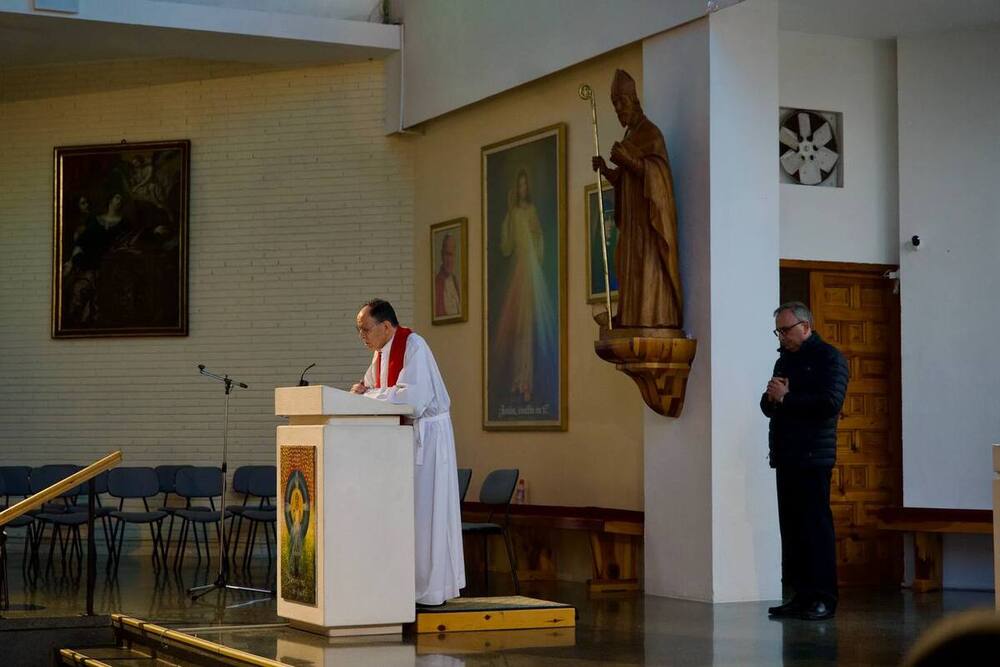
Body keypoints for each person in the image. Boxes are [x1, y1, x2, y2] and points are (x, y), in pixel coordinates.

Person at [350, 299, 466, 606]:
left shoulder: (413, 346)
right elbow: (368, 389)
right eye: (359, 330)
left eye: (365, 329)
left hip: (428, 440)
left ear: (386, 326)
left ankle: (431, 589)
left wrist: (368, 395)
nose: (362, 336)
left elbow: (412, 399)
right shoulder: (380, 355)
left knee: (426, 511)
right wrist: (362, 393)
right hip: (405, 441)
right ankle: (406, 586)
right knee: (408, 514)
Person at [761, 302, 849, 621]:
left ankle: (824, 598)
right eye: (778, 331)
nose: (782, 336)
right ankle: (800, 596)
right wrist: (772, 398)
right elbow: (768, 407)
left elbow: (829, 403)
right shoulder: (784, 360)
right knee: (793, 530)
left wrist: (786, 398)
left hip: (814, 456)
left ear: (806, 327)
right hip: (787, 456)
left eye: (786, 330)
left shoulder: (830, 358)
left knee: (815, 528)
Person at [592, 69, 682, 329]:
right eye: (615, 104)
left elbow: (659, 175)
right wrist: (608, 170)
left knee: (647, 268)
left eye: (621, 102)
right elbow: (626, 181)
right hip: (631, 226)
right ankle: (630, 317)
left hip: (648, 225)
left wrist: (628, 160)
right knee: (627, 267)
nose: (618, 109)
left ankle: (652, 317)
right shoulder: (630, 135)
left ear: (633, 101)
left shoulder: (650, 133)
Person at [494, 168, 556, 403]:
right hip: (519, 268)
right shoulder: (514, 213)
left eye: (524, 185)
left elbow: (539, 236)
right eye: (518, 186)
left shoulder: (531, 210)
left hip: (530, 270)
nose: (521, 189)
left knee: (527, 328)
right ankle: (518, 379)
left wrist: (535, 242)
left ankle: (527, 381)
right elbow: (507, 246)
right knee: (516, 328)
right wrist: (510, 213)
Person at [434, 232, 461, 317]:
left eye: (451, 255)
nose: (449, 260)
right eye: (447, 254)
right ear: (442, 255)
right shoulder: (437, 283)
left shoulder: (455, 281)